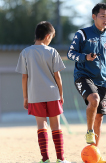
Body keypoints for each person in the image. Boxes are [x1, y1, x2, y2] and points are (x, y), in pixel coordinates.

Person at [67, 3, 106, 163]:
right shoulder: (82, 34)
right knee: (94, 99)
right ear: (94, 16)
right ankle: (89, 131)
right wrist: (85, 57)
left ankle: (93, 154)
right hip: (83, 76)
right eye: (102, 16)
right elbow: (70, 54)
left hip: (101, 81)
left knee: (100, 117)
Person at [16, 21, 70, 163]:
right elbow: (58, 76)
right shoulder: (52, 52)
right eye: (51, 37)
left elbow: (24, 77)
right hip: (52, 94)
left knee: (41, 126)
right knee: (56, 126)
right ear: (47, 36)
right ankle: (60, 159)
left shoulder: (25, 52)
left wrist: (25, 97)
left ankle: (45, 159)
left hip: (35, 95)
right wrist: (61, 94)